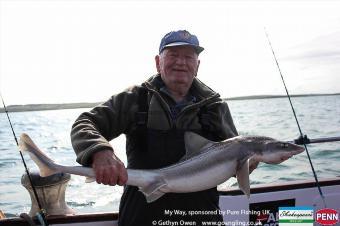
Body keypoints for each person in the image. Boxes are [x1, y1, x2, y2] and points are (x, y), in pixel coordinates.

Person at [71, 30, 238, 226]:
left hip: (201, 215)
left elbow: (237, 157)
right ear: (158, 62)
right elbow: (84, 123)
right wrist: (99, 151)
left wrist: (248, 163)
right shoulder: (134, 98)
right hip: (142, 215)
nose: (181, 62)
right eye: (173, 55)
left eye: (188, 57)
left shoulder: (214, 106)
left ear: (197, 65)